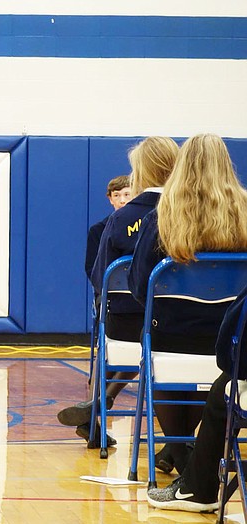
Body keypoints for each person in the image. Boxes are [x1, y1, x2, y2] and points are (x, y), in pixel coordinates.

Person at [129, 133, 247, 491]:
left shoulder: (162, 215)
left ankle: (182, 455)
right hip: (231, 342)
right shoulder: (244, 211)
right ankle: (186, 458)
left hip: (172, 338)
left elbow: (139, 287)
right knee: (203, 351)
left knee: (159, 348)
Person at [58, 137, 178, 450]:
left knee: (131, 343)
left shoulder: (119, 221)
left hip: (127, 322)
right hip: (182, 328)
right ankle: (178, 448)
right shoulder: (195, 215)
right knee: (153, 346)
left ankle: (98, 404)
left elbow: (101, 276)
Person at [145, 285, 247, 513]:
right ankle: (181, 456)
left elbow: (141, 286)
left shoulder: (159, 250)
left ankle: (191, 476)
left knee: (225, 388)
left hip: (170, 336)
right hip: (208, 336)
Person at [84, 175, 132, 281]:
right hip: (108, 289)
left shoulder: (143, 225)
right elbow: (91, 268)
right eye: (116, 195)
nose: (122, 201)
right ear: (110, 199)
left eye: (127, 194)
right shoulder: (97, 230)